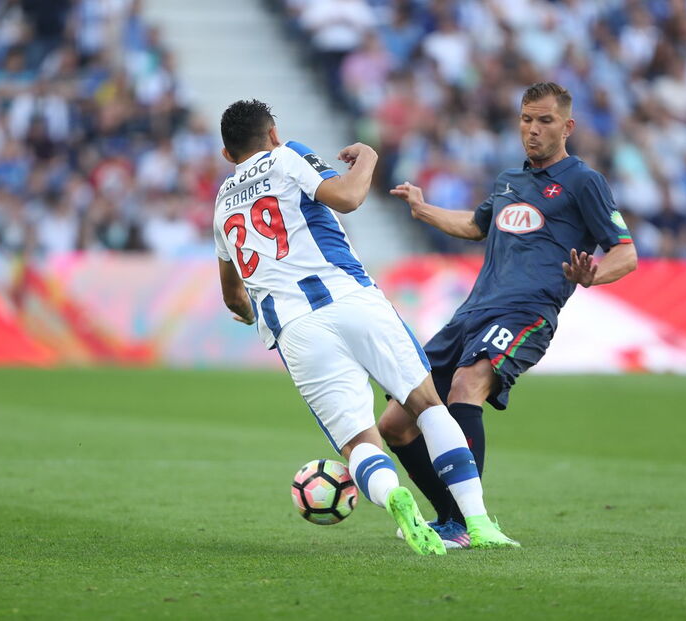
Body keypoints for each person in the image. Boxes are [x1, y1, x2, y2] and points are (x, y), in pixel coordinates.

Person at [214, 99, 520, 554]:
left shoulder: (221, 204)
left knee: (359, 442)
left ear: (227, 154)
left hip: (295, 330)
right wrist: (370, 156)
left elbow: (233, 296)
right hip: (351, 297)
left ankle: (394, 496)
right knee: (427, 405)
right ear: (273, 134)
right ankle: (477, 522)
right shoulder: (286, 154)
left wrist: (248, 311)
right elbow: (349, 197)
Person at [379, 82, 639, 549]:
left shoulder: (584, 181)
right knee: (395, 424)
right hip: (471, 312)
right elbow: (475, 225)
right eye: (526, 119)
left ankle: (466, 522)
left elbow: (626, 252)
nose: (533, 129)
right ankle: (450, 518)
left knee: (467, 385)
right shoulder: (508, 181)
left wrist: (593, 275)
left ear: (567, 126)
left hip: (527, 312)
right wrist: (422, 209)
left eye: (545, 120)